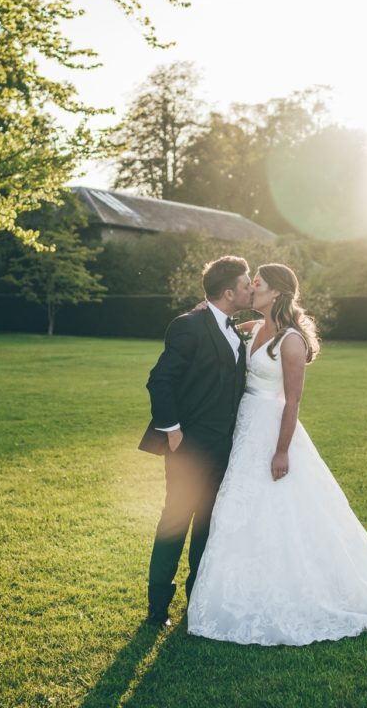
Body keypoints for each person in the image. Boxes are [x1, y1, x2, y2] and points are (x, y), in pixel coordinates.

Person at [186, 263, 367, 645]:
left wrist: (282, 450)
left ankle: (294, 590)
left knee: (278, 510)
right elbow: (220, 332)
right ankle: (234, 591)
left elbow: (293, 401)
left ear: (277, 293)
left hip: (272, 429)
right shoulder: (253, 329)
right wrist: (206, 312)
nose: (250, 289)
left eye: (257, 284)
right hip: (244, 427)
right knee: (237, 508)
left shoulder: (290, 341)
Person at [139, 255, 254, 627]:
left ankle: (197, 602)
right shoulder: (188, 326)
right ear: (228, 291)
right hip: (188, 446)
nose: (251, 286)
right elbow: (160, 380)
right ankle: (157, 608)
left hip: (226, 448)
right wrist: (172, 432)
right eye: (247, 281)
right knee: (176, 519)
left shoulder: (234, 329)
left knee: (208, 524)